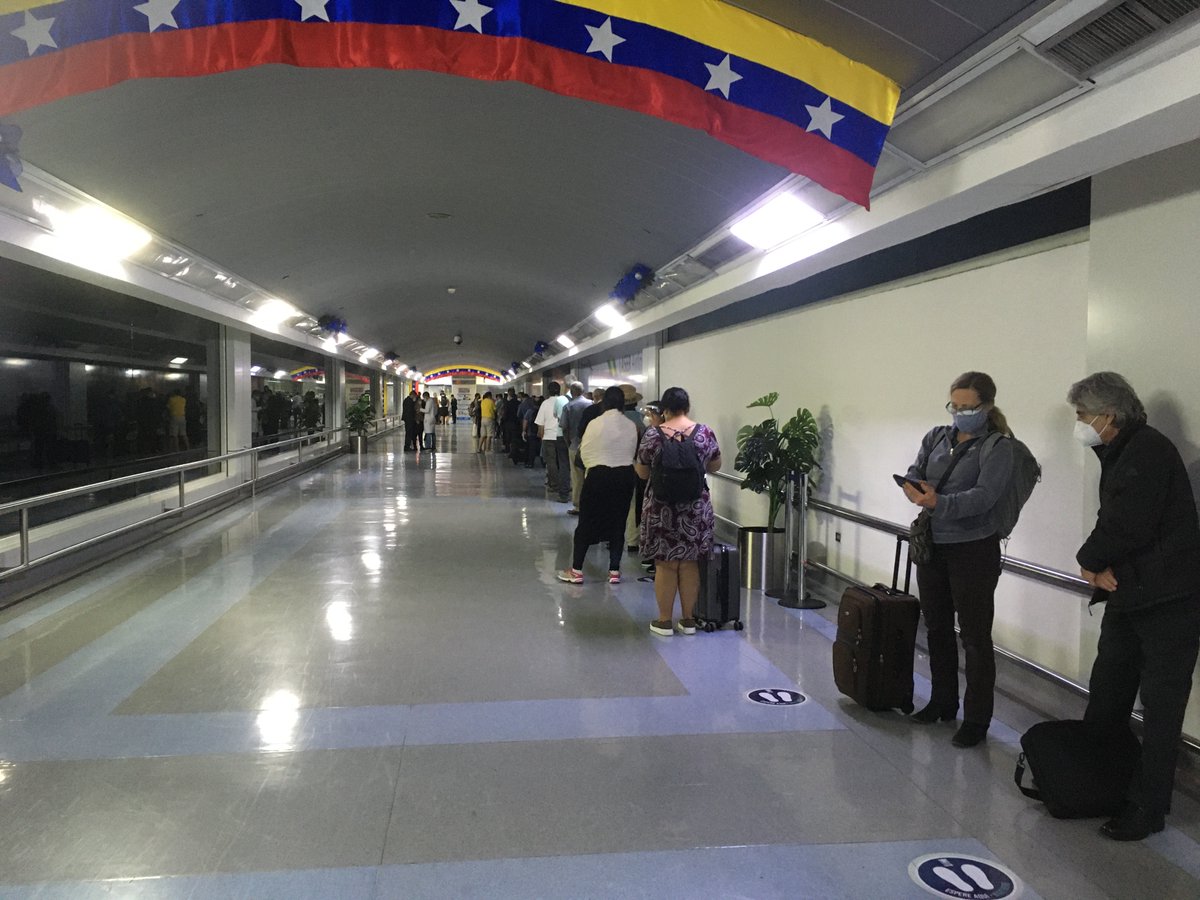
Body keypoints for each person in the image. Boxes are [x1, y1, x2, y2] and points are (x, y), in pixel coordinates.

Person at [1067, 372, 1200, 841]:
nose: (1079, 424)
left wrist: (1088, 562)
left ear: (1109, 415)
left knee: (1161, 711)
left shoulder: (1146, 450)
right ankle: (1098, 785)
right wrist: (1102, 572)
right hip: (1131, 593)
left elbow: (1127, 523)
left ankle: (1148, 808)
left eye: (1083, 416)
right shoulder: (1120, 450)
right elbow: (1121, 522)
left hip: (1169, 602)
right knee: (1108, 692)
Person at [902, 371, 1013, 749]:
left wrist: (939, 503)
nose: (961, 413)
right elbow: (916, 470)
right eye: (956, 406)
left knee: (975, 637)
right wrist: (914, 487)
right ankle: (942, 702)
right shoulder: (937, 437)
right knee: (935, 627)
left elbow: (985, 497)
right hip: (935, 545)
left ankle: (977, 719)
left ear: (987, 406)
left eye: (969, 407)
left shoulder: (998, 447)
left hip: (973, 550)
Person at [634, 387, 721, 636]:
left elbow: (642, 472)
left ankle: (664, 622)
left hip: (662, 508)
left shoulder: (653, 435)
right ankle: (688, 620)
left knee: (666, 564)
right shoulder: (704, 432)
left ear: (664, 410)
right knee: (690, 563)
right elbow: (715, 464)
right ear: (688, 407)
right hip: (695, 508)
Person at [558, 386, 639, 584]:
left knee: (586, 522)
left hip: (598, 476)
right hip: (625, 477)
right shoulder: (630, 425)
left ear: (604, 402)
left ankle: (576, 570)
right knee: (618, 522)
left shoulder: (595, 424)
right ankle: (614, 571)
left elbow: (585, 452)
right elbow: (632, 452)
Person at [560, 382, 593, 515]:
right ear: (583, 391)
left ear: (571, 392)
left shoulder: (568, 406)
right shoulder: (591, 404)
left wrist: (568, 442)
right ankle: (591, 503)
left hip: (575, 445)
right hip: (591, 445)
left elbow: (564, 427)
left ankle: (578, 505)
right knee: (590, 475)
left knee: (577, 476)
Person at [535, 382, 570, 500]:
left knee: (551, 461)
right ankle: (565, 484)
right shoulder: (565, 401)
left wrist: (541, 434)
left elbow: (540, 423)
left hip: (549, 436)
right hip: (562, 436)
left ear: (548, 391)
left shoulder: (545, 403)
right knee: (563, 462)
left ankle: (554, 484)